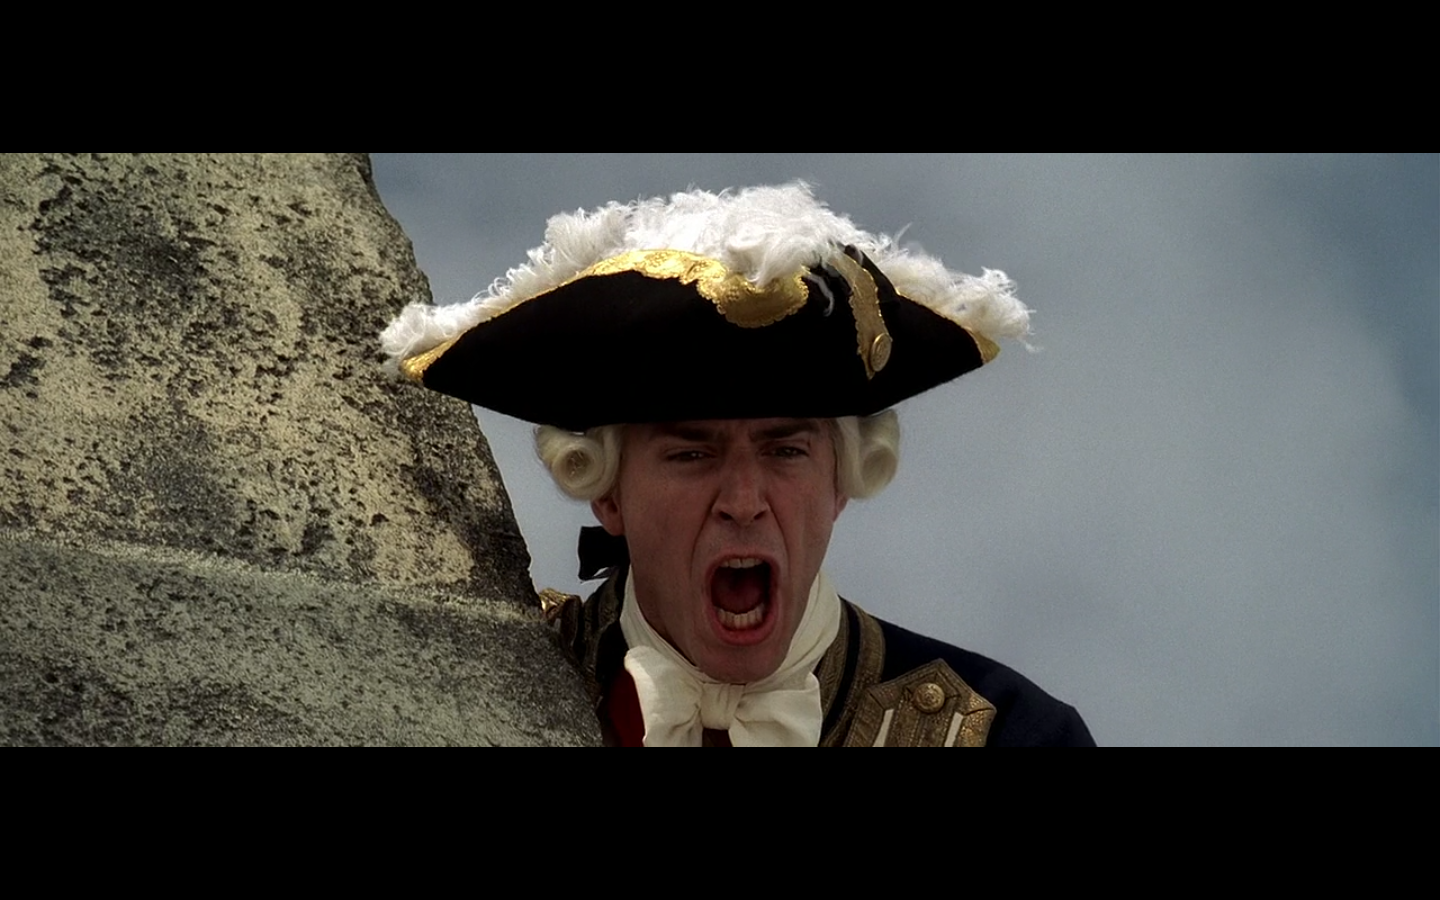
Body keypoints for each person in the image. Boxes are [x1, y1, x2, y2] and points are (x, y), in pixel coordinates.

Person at [382, 183, 1094, 746]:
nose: (744, 500)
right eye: (692, 453)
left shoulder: (1009, 735)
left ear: (842, 481)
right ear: (607, 494)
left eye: (786, 450)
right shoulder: (476, 685)